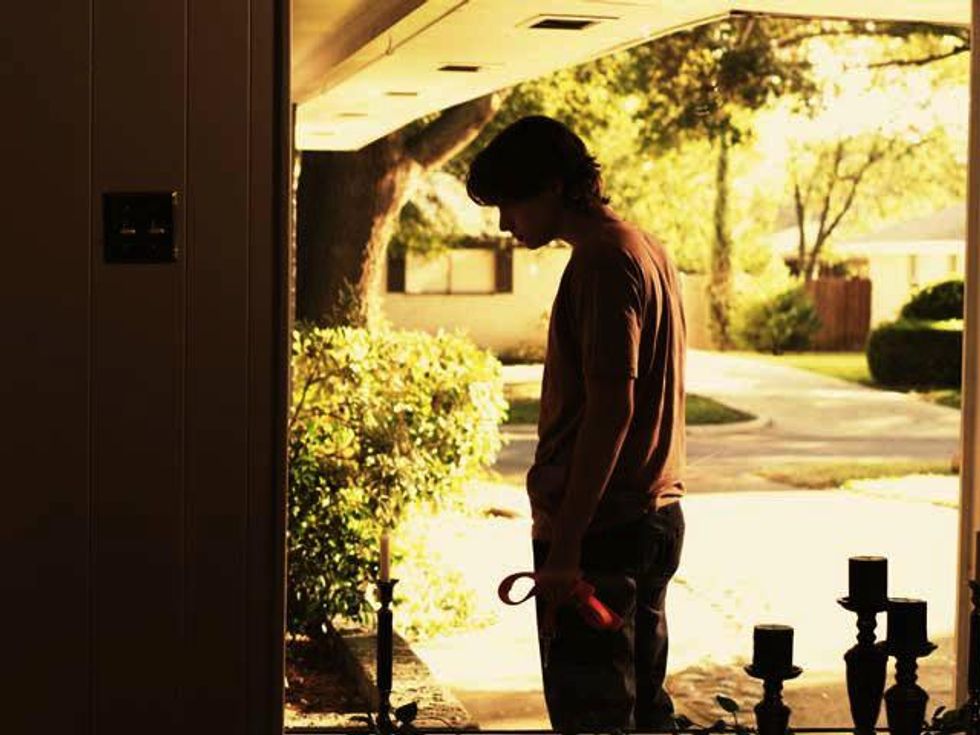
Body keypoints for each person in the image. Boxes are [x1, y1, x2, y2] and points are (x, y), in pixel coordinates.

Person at [467, 115, 687, 733]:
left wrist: (566, 545)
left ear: (554, 187)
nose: (506, 223)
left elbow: (611, 408)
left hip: (602, 532)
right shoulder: (644, 248)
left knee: (593, 719)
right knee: (642, 715)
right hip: (648, 518)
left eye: (511, 203)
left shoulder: (602, 262)